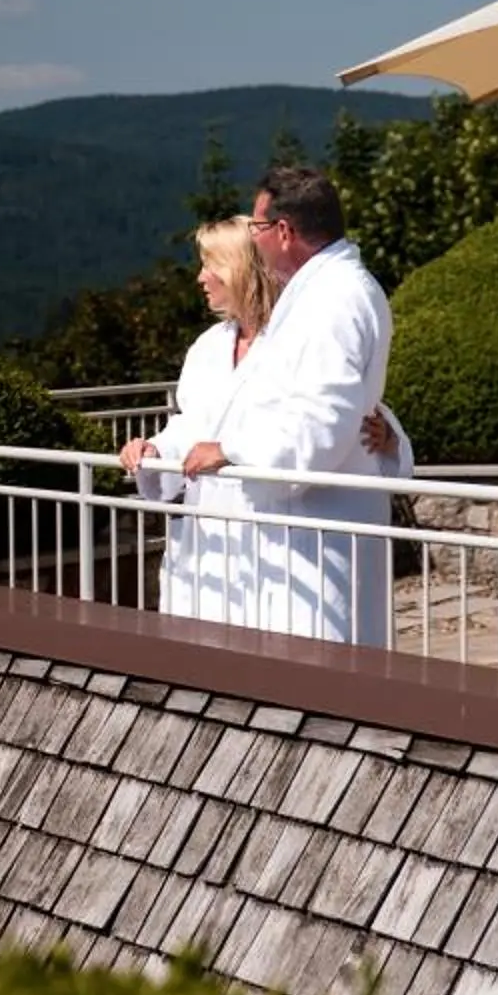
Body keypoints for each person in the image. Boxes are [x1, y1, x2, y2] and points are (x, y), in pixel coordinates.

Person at [122, 212, 408, 628]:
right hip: (213, 532)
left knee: (285, 638)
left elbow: (332, 414)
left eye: (211, 265)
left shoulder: (298, 339)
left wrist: (390, 437)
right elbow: (193, 423)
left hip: (283, 529)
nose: (201, 278)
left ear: (241, 269)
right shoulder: (207, 348)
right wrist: (156, 449)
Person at [174, 163, 399, 645]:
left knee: (320, 664)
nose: (253, 241)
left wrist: (232, 449)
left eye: (256, 228)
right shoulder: (322, 295)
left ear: (283, 231)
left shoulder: (333, 301)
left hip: (319, 534)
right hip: (299, 530)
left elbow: (321, 422)